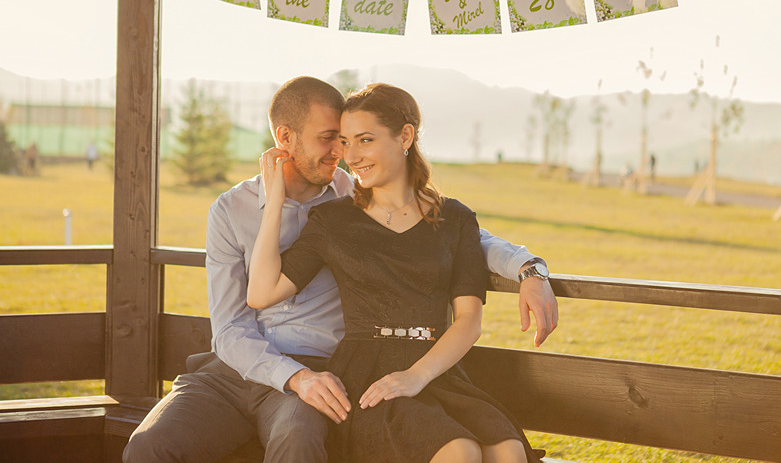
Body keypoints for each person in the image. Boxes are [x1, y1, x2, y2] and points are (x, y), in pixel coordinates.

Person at [123, 77, 558, 463]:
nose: (343, 153)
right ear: (285, 137)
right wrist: (291, 376)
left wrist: (528, 268)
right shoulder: (232, 210)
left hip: (322, 372)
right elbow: (233, 325)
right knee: (148, 448)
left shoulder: (352, 194)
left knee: (300, 444)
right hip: (237, 370)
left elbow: (451, 235)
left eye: (352, 140)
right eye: (332, 138)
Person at [247, 83, 541, 462]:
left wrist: (533, 271)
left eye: (364, 140)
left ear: (405, 136)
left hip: (437, 373)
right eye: (344, 142)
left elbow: (469, 320)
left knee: (508, 452)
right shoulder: (333, 220)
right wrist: (275, 200)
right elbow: (261, 292)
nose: (350, 155)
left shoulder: (455, 218)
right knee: (460, 453)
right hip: (367, 379)